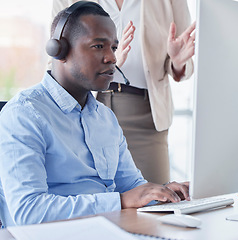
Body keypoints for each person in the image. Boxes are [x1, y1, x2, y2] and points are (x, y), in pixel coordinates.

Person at [0, 2, 190, 227]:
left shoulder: (105, 118)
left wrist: (163, 193)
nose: (112, 58)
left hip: (105, 229)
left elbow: (132, 186)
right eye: (99, 46)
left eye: (114, 48)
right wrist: (119, 201)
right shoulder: (24, 115)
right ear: (59, 50)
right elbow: (28, 211)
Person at [51, 0, 195, 184]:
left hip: (145, 113)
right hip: (86, 109)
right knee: (94, 197)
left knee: (157, 201)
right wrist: (108, 63)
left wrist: (178, 61)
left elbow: (185, 55)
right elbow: (57, 58)